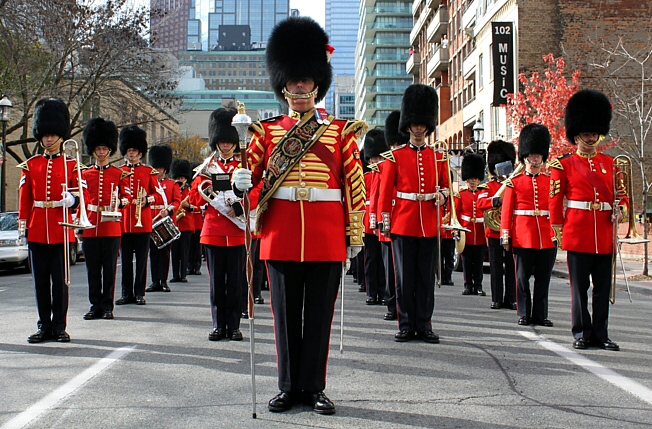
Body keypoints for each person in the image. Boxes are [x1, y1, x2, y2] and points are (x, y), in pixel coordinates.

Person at [232, 17, 366, 415]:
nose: (300, 88)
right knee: (285, 317)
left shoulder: (340, 132)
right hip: (281, 233)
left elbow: (354, 186)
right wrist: (241, 182)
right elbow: (252, 183)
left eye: (306, 80)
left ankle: (315, 387)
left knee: (319, 317)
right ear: (284, 85)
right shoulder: (265, 133)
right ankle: (289, 386)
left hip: (325, 235)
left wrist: (354, 231)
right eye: (293, 81)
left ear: (317, 83)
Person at [550, 89, 626, 351]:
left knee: (602, 290)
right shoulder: (564, 165)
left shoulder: (611, 163)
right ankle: (581, 331)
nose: (590, 137)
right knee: (579, 290)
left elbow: (623, 197)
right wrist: (559, 232)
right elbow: (555, 201)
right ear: (576, 134)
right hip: (578, 232)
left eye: (594, 133)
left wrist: (621, 212)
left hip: (604, 234)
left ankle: (601, 334)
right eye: (586, 133)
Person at [378, 84, 448, 344]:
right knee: (404, 280)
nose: (418, 128)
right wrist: (385, 221)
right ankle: (406, 324)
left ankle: (424, 324)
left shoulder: (438, 157)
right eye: (414, 124)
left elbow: (446, 188)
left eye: (422, 124)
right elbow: (385, 194)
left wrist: (442, 196)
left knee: (425, 280)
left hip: (429, 224)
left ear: (427, 126)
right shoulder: (394, 157)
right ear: (408, 125)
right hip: (403, 224)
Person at [18, 98, 78, 343]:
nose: (49, 139)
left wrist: (71, 201)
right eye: (46, 136)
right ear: (40, 137)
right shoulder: (30, 165)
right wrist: (23, 227)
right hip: (37, 231)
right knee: (40, 283)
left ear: (61, 136)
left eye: (53, 135)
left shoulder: (73, 165)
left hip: (62, 230)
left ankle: (59, 326)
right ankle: (44, 325)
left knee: (61, 283)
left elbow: (80, 197)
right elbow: (25, 199)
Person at [190, 107, 245, 342]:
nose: (225, 146)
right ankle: (217, 324)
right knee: (215, 285)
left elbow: (255, 193)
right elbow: (193, 199)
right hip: (213, 231)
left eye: (228, 142)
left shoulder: (242, 165)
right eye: (221, 142)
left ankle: (233, 326)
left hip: (237, 231)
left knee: (235, 283)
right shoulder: (206, 168)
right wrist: (204, 189)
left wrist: (241, 207)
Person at [500, 124, 557, 327]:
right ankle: (524, 312)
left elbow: (557, 209)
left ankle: (540, 315)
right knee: (522, 279)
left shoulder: (551, 182)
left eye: (538, 155)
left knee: (543, 279)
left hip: (546, 237)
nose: (535, 159)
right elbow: (507, 212)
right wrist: (505, 236)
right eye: (531, 155)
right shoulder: (514, 183)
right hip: (522, 236)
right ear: (524, 157)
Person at [80, 117, 128, 320]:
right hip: (90, 224)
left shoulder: (119, 174)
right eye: (97, 149)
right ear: (93, 150)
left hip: (110, 227)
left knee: (109, 270)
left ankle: (107, 305)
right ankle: (95, 305)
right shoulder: (84, 173)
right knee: (92, 270)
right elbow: (80, 200)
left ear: (110, 150)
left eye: (104, 149)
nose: (100, 152)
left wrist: (121, 202)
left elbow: (126, 196)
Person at [117, 125, 159, 306]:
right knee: (126, 261)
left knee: (141, 260)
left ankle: (139, 293)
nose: (131, 153)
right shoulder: (119, 171)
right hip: (125, 222)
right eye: (129, 150)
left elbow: (158, 194)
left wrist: (148, 199)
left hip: (143, 221)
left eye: (134, 150)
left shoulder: (149, 172)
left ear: (140, 153)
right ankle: (127, 293)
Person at [477, 140, 517, 310]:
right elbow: (480, 203)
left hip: (511, 230)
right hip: (494, 231)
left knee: (511, 267)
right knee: (495, 266)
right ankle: (496, 298)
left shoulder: (514, 183)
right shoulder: (489, 185)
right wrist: (495, 201)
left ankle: (511, 298)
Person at [146, 144, 180, 292]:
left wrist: (169, 211)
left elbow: (177, 202)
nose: (158, 171)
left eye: (160, 169)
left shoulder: (172, 184)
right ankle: (154, 281)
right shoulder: (149, 184)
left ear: (165, 169)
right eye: (156, 168)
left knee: (165, 253)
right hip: (151, 221)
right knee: (153, 253)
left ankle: (163, 281)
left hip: (164, 220)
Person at [455, 153, 487, 296]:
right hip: (465, 232)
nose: (473, 181)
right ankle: (468, 285)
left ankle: (478, 285)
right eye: (470, 179)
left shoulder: (484, 193)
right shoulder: (460, 195)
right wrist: (456, 231)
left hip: (480, 233)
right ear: (466, 180)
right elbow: (455, 215)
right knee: (467, 262)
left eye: (475, 178)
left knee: (479, 262)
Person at [362, 129, 387, 305]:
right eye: (373, 158)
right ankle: (372, 292)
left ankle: (384, 291)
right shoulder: (365, 177)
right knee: (371, 258)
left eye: (379, 157)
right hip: (368, 222)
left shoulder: (387, 174)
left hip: (383, 220)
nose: (376, 161)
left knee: (383, 260)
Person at [170, 159, 194, 284]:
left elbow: (196, 206)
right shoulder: (173, 188)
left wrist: (187, 205)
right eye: (178, 177)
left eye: (182, 178)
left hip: (186, 224)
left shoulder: (190, 190)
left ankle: (183, 274)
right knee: (174, 251)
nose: (180, 180)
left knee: (184, 251)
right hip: (175, 223)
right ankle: (175, 274)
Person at [187, 161, 204, 276]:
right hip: (191, 218)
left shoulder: (202, 181)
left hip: (198, 218)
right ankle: (189, 265)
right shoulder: (192, 184)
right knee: (189, 245)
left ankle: (197, 265)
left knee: (197, 245)